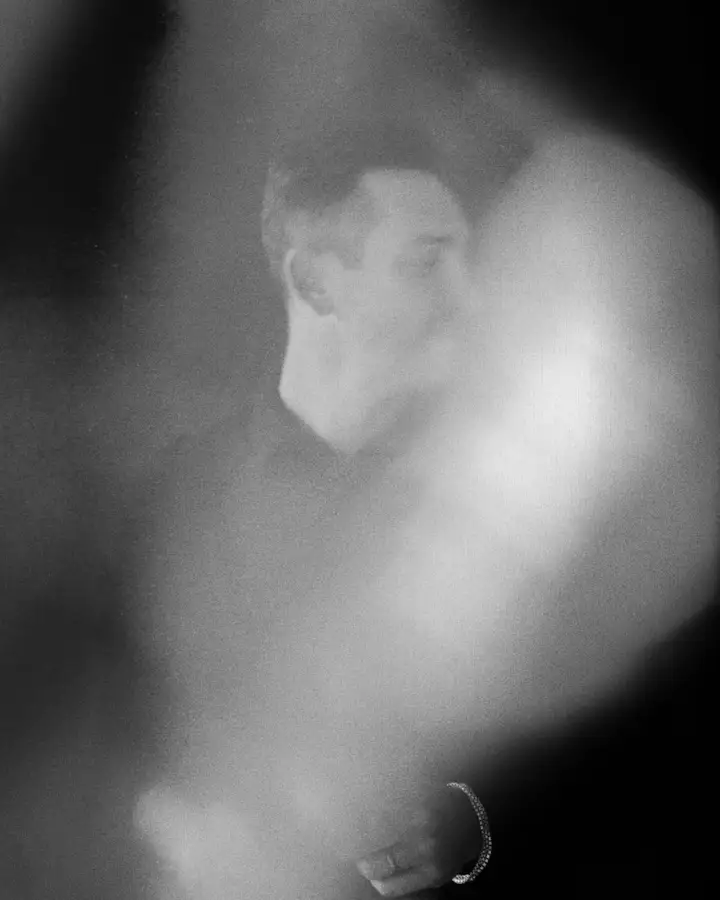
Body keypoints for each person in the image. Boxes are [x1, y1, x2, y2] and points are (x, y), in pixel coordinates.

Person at [135, 106, 717, 898]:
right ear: (314, 280)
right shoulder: (193, 512)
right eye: (424, 262)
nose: (468, 298)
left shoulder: (482, 526)